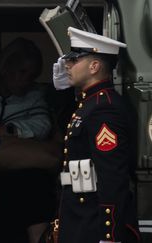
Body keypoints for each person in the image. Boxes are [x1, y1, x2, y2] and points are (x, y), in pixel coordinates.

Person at [53, 27, 140, 243]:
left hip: (92, 222)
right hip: (79, 216)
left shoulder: (104, 108)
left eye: (74, 60)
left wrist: (109, 236)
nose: (67, 65)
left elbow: (112, 176)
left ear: (94, 66)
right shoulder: (90, 103)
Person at [0, 37, 58, 243]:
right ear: (5, 66)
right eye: (21, 72)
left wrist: (12, 129)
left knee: (33, 184)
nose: (25, 80)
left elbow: (42, 123)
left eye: (32, 75)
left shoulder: (35, 96)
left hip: (18, 167)